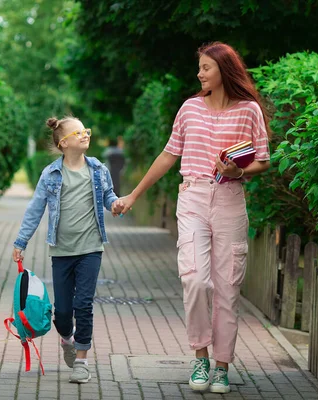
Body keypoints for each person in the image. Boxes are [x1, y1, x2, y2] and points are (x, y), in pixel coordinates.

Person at [113, 42, 271, 393]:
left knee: (228, 287)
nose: (199, 74)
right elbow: (169, 155)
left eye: (205, 68)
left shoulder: (249, 111)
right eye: (199, 68)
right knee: (196, 280)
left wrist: (237, 172)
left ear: (223, 70)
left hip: (230, 199)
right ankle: (200, 357)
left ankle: (222, 367)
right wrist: (134, 195)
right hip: (193, 198)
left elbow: (263, 159)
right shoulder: (189, 109)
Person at [12, 116, 121, 384]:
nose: (85, 135)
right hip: (61, 252)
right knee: (62, 312)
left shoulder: (97, 169)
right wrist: (21, 242)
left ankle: (82, 361)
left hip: (90, 249)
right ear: (64, 143)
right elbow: (35, 209)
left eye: (86, 130)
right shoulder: (51, 174)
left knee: (83, 304)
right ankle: (67, 338)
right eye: (79, 132)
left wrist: (116, 204)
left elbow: (107, 196)